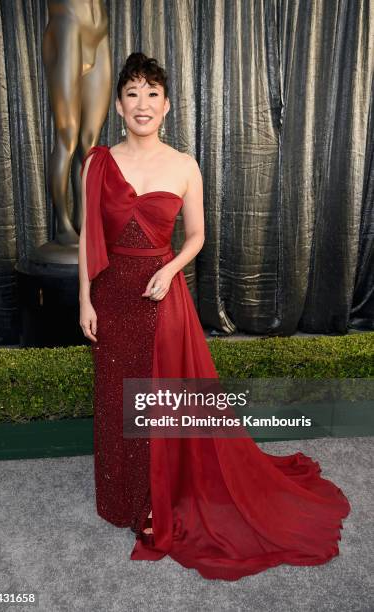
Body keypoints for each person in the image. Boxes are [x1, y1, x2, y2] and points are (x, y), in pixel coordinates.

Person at [78, 52, 351, 581]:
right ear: (117, 105)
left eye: (152, 94)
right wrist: (84, 299)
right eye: (132, 93)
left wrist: (170, 267)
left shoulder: (184, 165)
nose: (142, 104)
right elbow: (90, 238)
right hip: (111, 298)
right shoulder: (98, 163)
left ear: (168, 106)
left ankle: (160, 500)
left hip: (162, 297)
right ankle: (122, 498)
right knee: (118, 397)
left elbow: (197, 236)